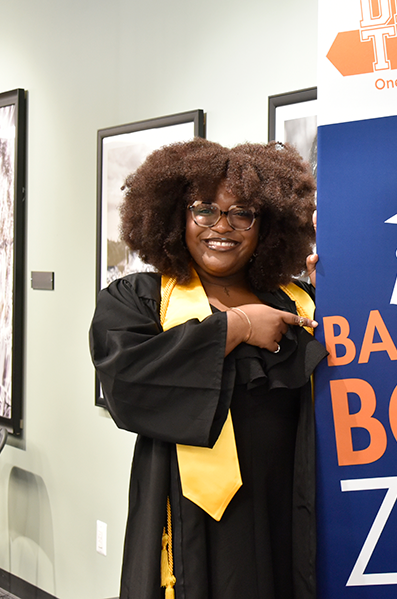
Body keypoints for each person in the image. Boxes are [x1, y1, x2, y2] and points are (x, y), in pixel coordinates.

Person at [90, 138, 324, 599]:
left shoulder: (298, 301)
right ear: (177, 217)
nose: (223, 226)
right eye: (205, 210)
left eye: (243, 214)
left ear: (267, 228)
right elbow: (128, 383)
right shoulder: (141, 299)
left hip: (286, 504)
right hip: (188, 515)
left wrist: (339, 293)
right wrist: (235, 327)